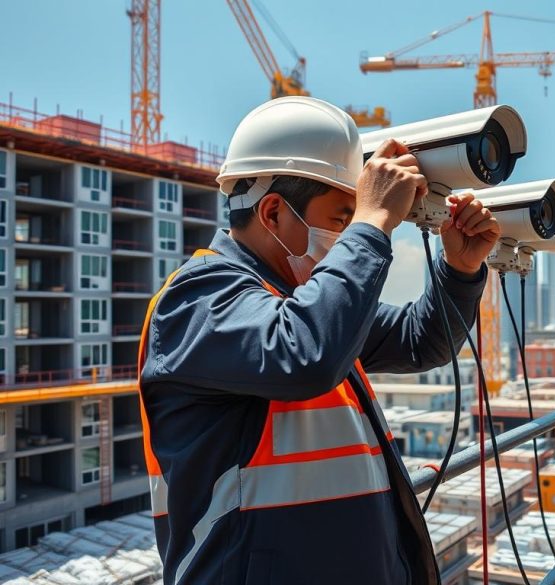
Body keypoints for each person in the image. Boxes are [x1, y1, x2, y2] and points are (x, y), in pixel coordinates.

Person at [137, 96, 500, 584]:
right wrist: (373, 221)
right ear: (272, 213)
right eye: (340, 220)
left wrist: (460, 270)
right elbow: (305, 356)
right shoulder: (196, 299)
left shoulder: (304, 303)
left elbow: (420, 341)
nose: (347, 236)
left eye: (353, 221)